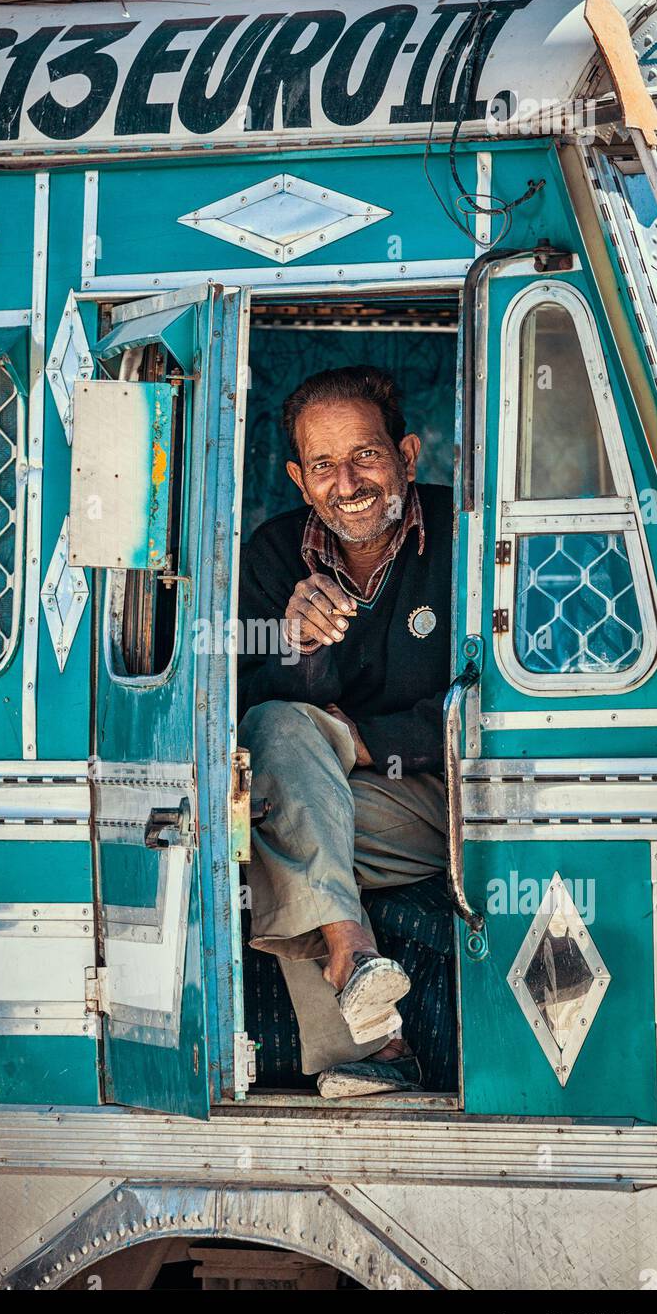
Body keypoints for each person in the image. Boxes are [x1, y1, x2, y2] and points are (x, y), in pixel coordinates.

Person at [237, 366, 451, 1097]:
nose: (348, 482)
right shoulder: (273, 556)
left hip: (446, 802)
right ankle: (356, 962)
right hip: (328, 798)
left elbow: (489, 701)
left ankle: (372, 1043)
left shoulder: (466, 536)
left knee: (282, 826)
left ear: (407, 457)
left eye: (365, 455)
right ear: (300, 480)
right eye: (323, 465)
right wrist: (299, 645)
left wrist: (368, 743)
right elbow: (249, 711)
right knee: (274, 792)